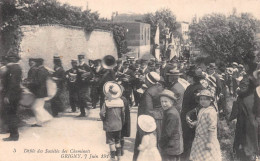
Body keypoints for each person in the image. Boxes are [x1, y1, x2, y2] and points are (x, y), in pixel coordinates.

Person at [133, 71, 164, 161]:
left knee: (147, 143)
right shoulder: (160, 87)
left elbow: (147, 110)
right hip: (160, 118)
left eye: (146, 79)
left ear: (148, 81)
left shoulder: (148, 92)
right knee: (157, 143)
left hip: (150, 120)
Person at [189, 89, 221, 161]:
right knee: (198, 157)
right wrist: (195, 123)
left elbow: (211, 127)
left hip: (207, 138)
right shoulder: (202, 109)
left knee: (208, 157)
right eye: (201, 99)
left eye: (206, 99)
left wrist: (209, 142)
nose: (203, 101)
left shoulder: (211, 111)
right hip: (199, 139)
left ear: (211, 100)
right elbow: (201, 120)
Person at [180, 67, 204, 161]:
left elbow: (199, 105)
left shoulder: (197, 89)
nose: (187, 78)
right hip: (186, 116)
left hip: (192, 118)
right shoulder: (191, 86)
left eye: (189, 77)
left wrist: (190, 115)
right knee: (186, 139)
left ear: (193, 77)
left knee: (190, 140)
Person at [100, 81, 125, 161]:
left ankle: (112, 158)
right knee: (118, 141)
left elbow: (102, 113)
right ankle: (119, 157)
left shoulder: (106, 103)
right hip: (118, 125)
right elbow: (123, 115)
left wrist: (104, 120)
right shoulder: (121, 102)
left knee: (111, 142)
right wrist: (122, 123)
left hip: (110, 126)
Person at [2, 54, 22, 141]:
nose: (7, 61)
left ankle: (14, 136)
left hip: (12, 95)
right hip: (15, 94)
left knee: (11, 114)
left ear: (13, 59)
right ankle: (13, 134)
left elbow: (12, 84)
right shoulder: (16, 67)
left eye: (9, 59)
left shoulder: (13, 68)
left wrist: (7, 95)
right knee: (12, 114)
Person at [159, 90, 183, 161]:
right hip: (174, 145)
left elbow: (168, 132)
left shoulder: (171, 114)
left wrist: (161, 144)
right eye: (162, 101)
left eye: (166, 101)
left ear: (172, 102)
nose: (163, 104)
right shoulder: (170, 111)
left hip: (171, 146)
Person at [30, 58, 53, 127]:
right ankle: (39, 122)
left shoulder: (40, 70)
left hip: (39, 91)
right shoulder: (44, 70)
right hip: (42, 91)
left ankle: (46, 118)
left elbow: (38, 82)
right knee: (37, 107)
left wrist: (30, 83)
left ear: (38, 63)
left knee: (36, 107)